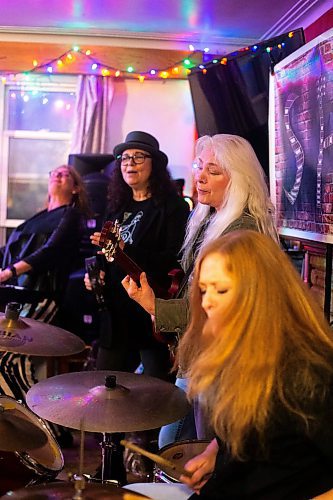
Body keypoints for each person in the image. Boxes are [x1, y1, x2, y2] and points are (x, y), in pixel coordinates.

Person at [125, 230, 333, 500]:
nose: (207, 301)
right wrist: (215, 454)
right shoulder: (242, 355)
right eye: (203, 290)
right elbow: (259, 441)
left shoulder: (309, 371)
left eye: (220, 289)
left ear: (261, 292)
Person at [122, 134, 278, 446]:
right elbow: (192, 287)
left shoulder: (241, 232)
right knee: (181, 448)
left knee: (189, 449)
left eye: (214, 171)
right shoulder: (211, 219)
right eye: (199, 166)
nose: (200, 177)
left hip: (219, 360)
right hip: (199, 354)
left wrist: (156, 307)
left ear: (239, 180)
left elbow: (216, 305)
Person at [84, 130, 189, 379]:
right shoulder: (116, 205)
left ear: (155, 164)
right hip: (115, 317)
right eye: (124, 158)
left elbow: (171, 261)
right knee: (104, 392)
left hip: (149, 317)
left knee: (156, 399)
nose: (129, 163)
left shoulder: (174, 208)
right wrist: (96, 273)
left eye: (138, 157)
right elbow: (106, 252)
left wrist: (125, 248)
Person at [0, 164, 90, 406]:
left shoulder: (71, 215)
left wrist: (9, 272)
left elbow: (50, 251)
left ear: (76, 188)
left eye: (65, 174)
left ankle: (44, 423)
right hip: (15, 299)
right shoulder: (38, 217)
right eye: (54, 173)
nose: (57, 176)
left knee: (12, 361)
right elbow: (9, 251)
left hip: (42, 296)